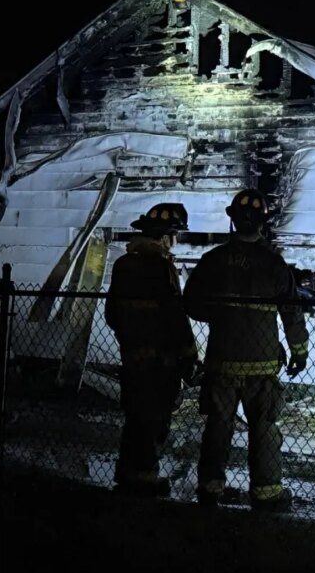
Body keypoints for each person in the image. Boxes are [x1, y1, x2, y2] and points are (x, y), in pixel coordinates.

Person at [183, 188, 309, 512]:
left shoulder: (214, 261)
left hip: (222, 359)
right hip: (262, 363)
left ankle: (210, 488)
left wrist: (222, 316)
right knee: (264, 427)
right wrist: (299, 351)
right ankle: (266, 495)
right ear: (264, 224)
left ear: (233, 220)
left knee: (218, 426)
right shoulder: (274, 264)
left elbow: (192, 303)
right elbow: (292, 311)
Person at [105, 202, 199, 497]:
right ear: (167, 236)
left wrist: (130, 339)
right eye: (175, 235)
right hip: (161, 360)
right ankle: (145, 479)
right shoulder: (162, 267)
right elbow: (174, 316)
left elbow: (111, 314)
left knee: (135, 416)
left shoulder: (122, 265)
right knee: (154, 419)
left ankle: (127, 472)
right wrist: (189, 356)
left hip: (132, 356)